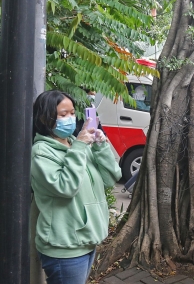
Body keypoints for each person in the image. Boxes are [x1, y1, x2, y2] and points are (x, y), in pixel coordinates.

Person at [31, 90, 122, 284]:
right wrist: (81, 147)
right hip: (64, 247)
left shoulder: (75, 145)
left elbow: (110, 178)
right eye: (63, 115)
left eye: (72, 113)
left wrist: (101, 146)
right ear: (46, 118)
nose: (70, 119)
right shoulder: (41, 152)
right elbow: (66, 188)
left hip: (85, 240)